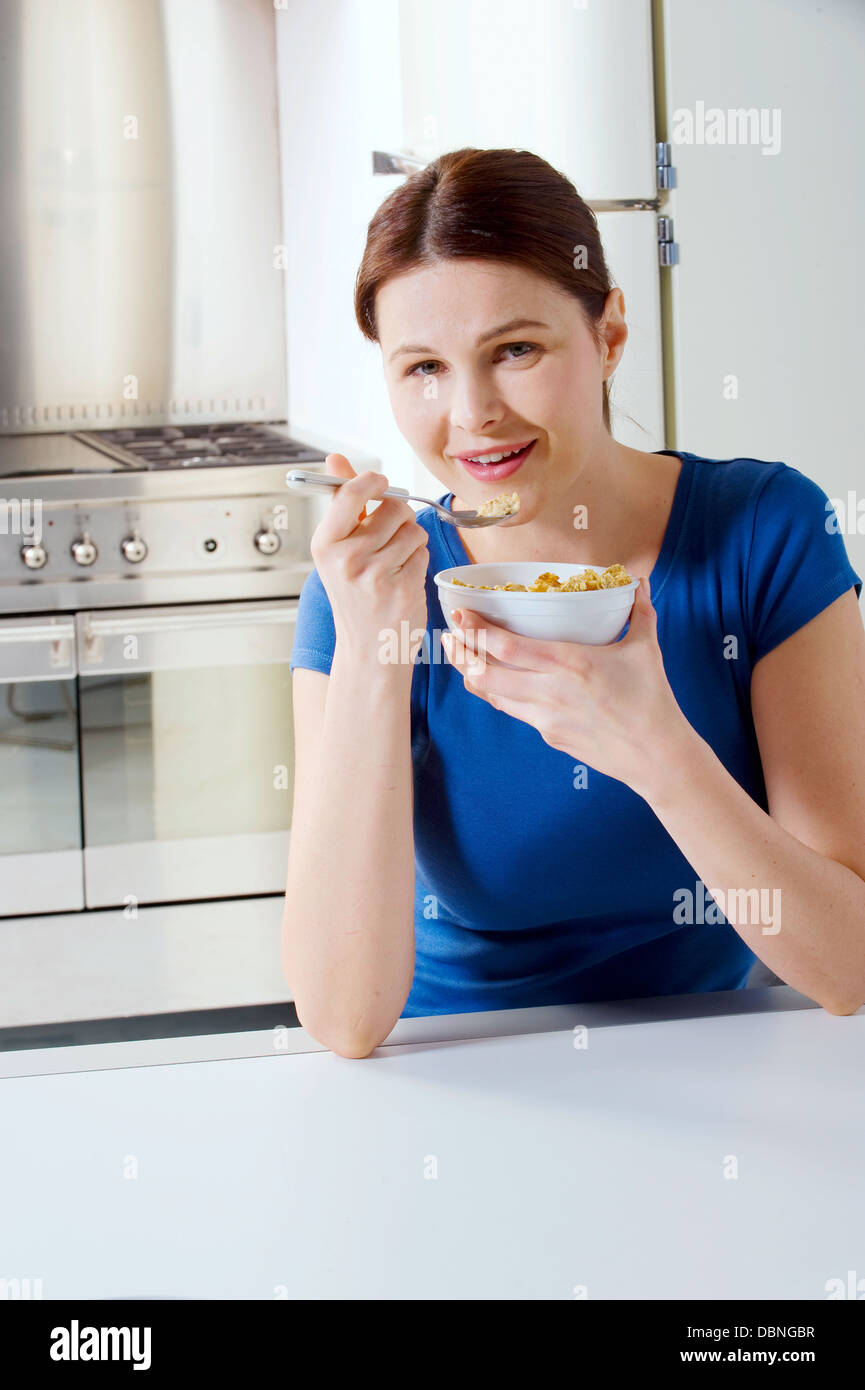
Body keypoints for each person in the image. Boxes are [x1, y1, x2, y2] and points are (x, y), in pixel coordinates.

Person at [281, 147, 865, 1058]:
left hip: (710, 1071)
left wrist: (655, 747)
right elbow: (344, 1020)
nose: (471, 412)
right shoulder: (368, 588)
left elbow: (847, 966)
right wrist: (371, 655)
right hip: (457, 1078)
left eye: (514, 350)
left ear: (609, 335)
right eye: (423, 368)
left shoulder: (764, 530)